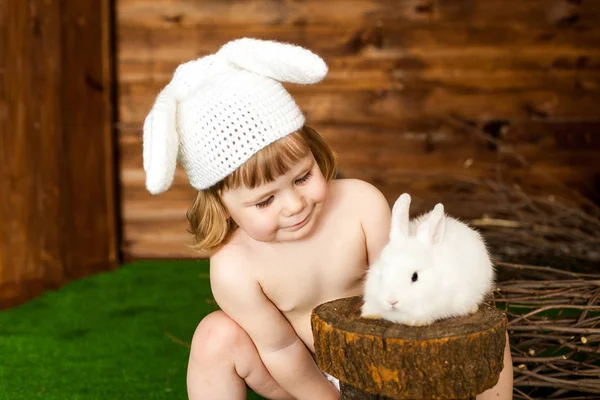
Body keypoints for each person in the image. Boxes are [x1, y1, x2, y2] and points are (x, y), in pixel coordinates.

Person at [143, 38, 513, 400]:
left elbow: (406, 281)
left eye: (303, 177)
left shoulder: (360, 205)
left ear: (314, 152)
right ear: (222, 206)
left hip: (397, 355)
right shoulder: (234, 267)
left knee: (486, 325)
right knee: (215, 336)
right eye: (265, 200)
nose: (294, 205)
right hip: (309, 377)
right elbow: (281, 348)